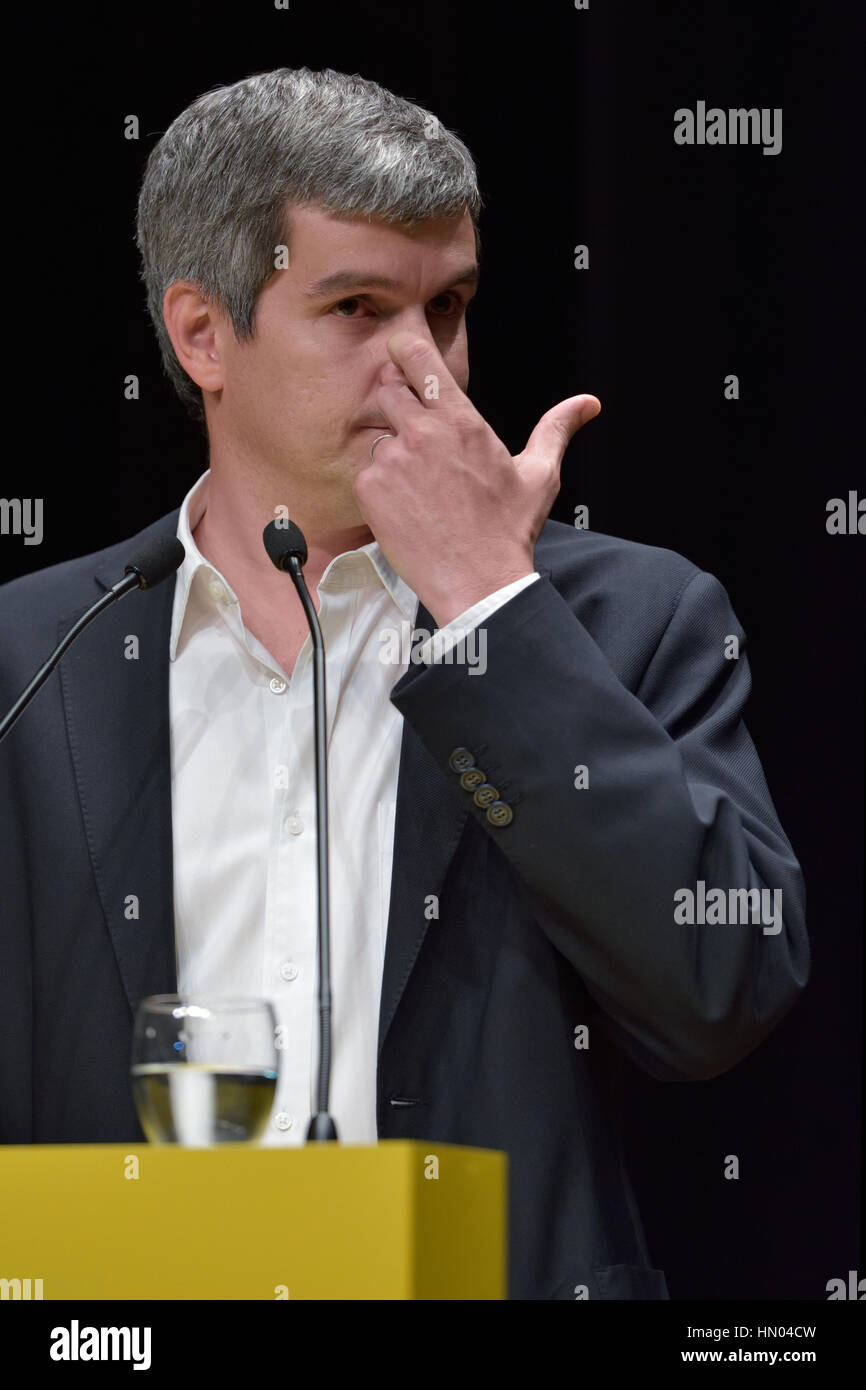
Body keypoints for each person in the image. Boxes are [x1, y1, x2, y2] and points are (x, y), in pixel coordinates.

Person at [0, 67, 809, 1300]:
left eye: (447, 308)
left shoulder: (624, 620)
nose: (422, 369)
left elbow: (719, 995)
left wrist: (493, 609)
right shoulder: (36, 653)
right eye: (357, 307)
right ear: (202, 333)